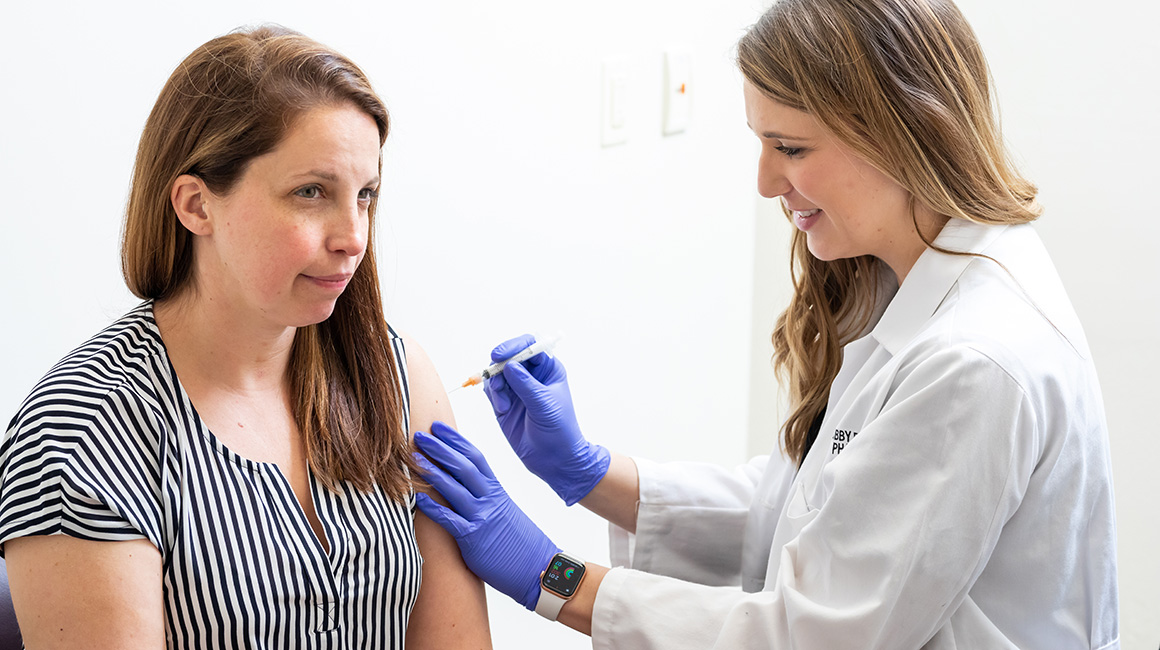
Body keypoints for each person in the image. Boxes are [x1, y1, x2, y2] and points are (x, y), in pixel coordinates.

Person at [412, 0, 1119, 648]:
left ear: (904, 131)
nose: (765, 182)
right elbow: (812, 511)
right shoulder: (908, 276)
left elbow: (808, 633)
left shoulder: (972, 361)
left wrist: (549, 574)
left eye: (791, 148)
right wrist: (589, 471)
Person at [0, 26, 491, 649]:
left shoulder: (394, 374)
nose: (353, 237)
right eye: (310, 192)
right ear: (196, 206)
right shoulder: (86, 432)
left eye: (364, 196)